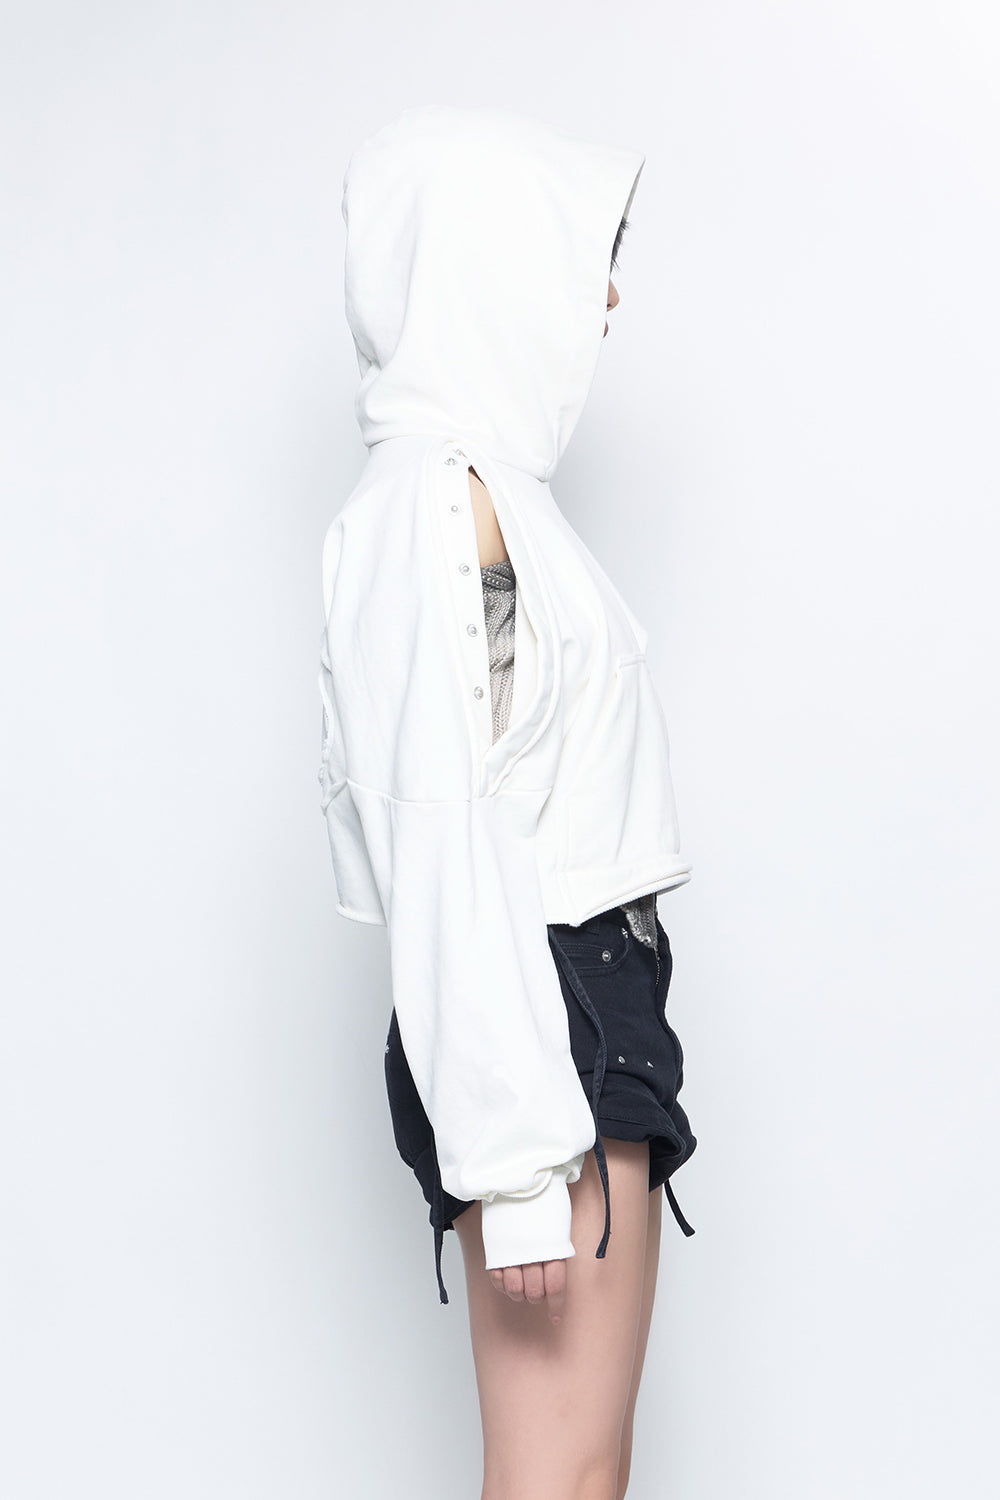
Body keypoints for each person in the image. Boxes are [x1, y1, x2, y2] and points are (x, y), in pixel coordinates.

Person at [318, 103, 697, 1500]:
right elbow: (441, 829)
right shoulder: (440, 505)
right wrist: (518, 1167)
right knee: (556, 1475)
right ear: (494, 265)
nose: (608, 301)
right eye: (585, 259)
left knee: (581, 1472)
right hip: (546, 1021)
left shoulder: (482, 497)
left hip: (578, 1007)